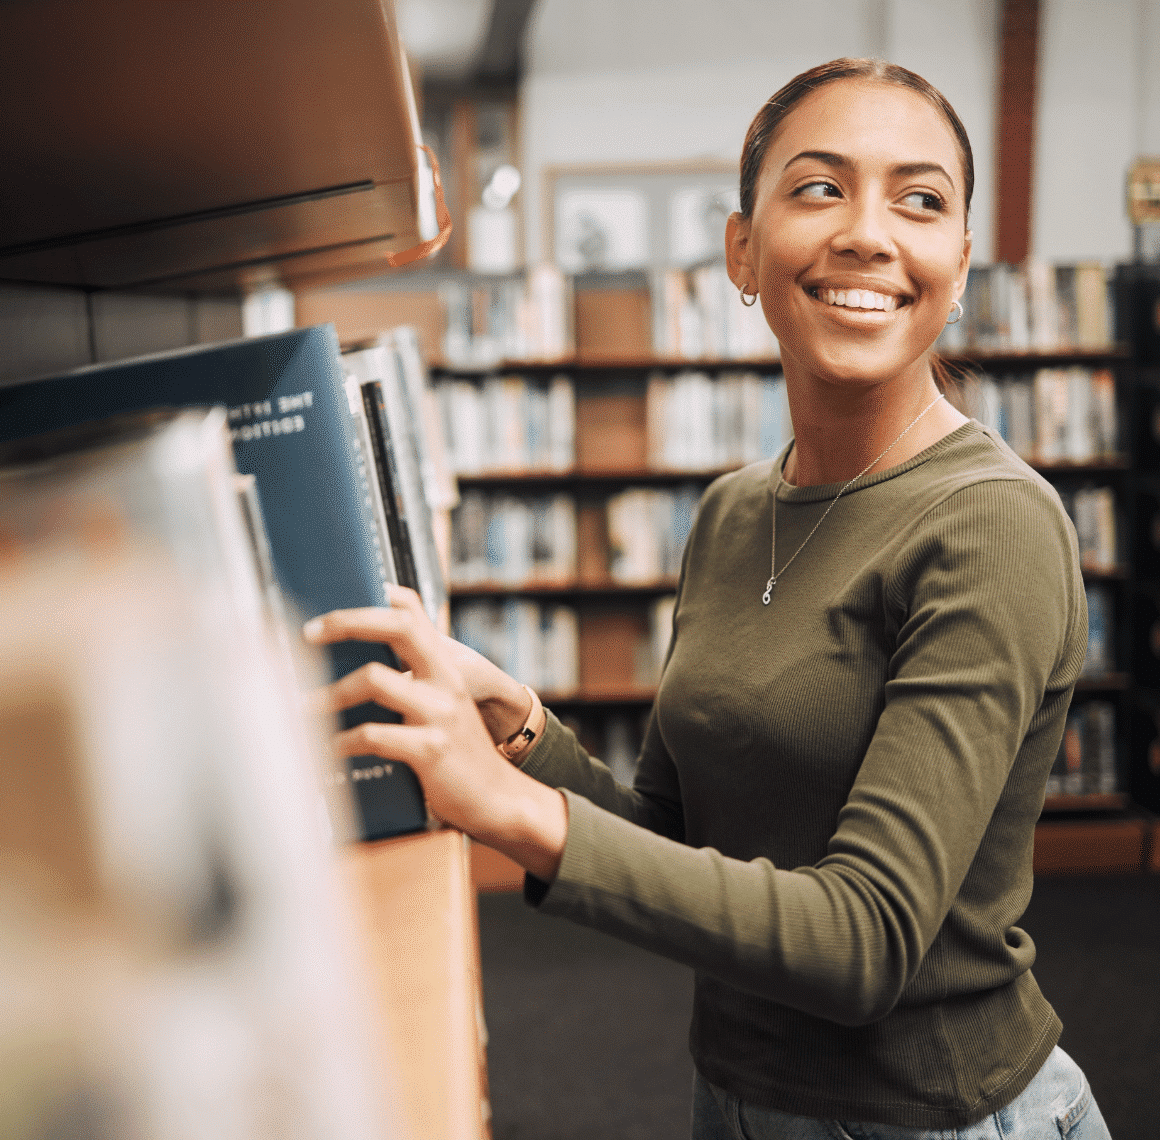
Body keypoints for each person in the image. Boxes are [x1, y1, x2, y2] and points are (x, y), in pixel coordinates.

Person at [304, 57, 1114, 1140]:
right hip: (736, 1100)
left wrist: (512, 815)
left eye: (919, 200)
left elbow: (863, 941)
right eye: (818, 187)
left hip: (937, 1117)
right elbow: (678, 847)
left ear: (958, 262)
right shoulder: (735, 512)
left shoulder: (992, 524)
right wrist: (518, 728)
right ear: (743, 248)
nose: (869, 233)